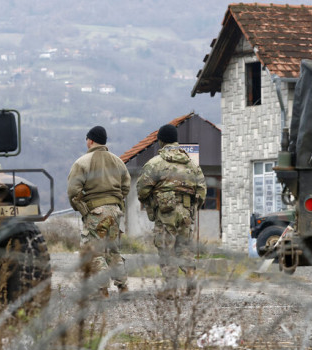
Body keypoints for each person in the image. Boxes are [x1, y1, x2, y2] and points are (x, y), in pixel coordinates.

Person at [137, 124, 207, 299]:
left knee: (166, 249)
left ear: (161, 141)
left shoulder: (155, 164)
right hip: (186, 212)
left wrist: (153, 201)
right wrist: (191, 208)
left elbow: (142, 189)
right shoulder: (192, 164)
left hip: (165, 212)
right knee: (184, 248)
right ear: (176, 141)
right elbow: (202, 190)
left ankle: (170, 290)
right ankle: (191, 285)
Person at [67, 125, 131, 297]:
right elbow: (126, 186)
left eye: (87, 139)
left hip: (96, 211)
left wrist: (83, 209)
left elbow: (73, 191)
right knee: (113, 250)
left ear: (91, 140)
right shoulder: (118, 161)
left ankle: (102, 289)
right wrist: (116, 203)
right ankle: (123, 287)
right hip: (115, 211)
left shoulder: (82, 162)